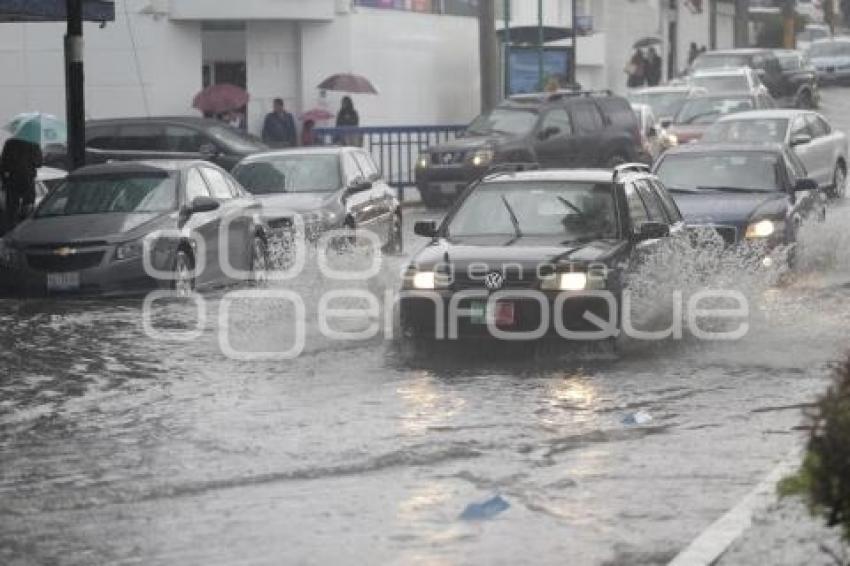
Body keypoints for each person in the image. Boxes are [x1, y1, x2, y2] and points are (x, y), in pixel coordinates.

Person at [0, 138, 42, 234]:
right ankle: (27, 230)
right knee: (28, 206)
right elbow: (39, 163)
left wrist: (4, 180)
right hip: (28, 180)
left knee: (11, 209)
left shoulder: (10, 143)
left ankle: (11, 231)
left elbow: (3, 163)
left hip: (12, 180)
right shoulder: (34, 143)